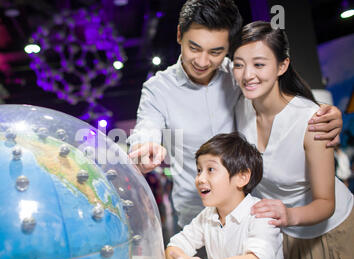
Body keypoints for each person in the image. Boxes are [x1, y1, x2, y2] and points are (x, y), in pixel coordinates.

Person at [127, 0, 343, 229]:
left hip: (251, 213)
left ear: (229, 46)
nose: (202, 61)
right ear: (180, 34)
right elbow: (146, 127)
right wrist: (144, 146)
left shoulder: (239, 74)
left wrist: (324, 112)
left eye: (215, 52)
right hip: (197, 216)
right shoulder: (158, 89)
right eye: (194, 48)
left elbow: (280, 100)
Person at [232, 21, 354, 259]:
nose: (247, 75)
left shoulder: (311, 120)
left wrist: (287, 215)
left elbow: (325, 203)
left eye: (259, 64)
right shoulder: (241, 107)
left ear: (282, 66)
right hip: (286, 235)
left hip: (330, 234)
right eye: (239, 65)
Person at [166, 132, 294, 259]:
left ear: (242, 177)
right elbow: (174, 246)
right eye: (199, 170)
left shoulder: (261, 213)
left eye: (210, 169)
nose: (200, 178)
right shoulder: (207, 215)